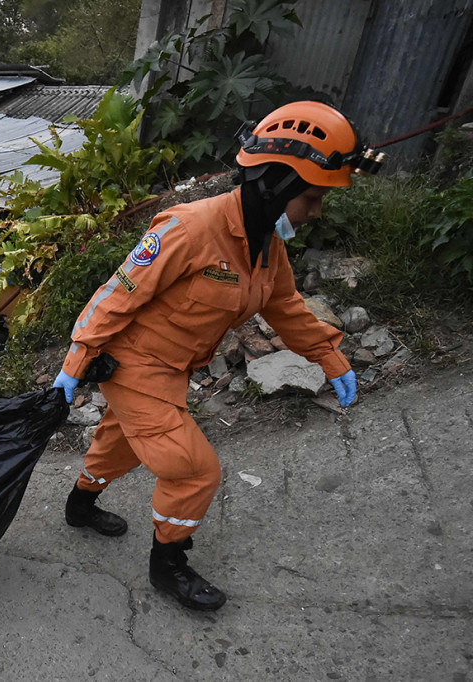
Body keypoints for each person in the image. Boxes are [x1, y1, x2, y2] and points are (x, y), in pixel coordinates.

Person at [52, 101, 383, 611]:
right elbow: (115, 296)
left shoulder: (266, 245)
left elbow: (287, 308)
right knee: (192, 469)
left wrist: (332, 359)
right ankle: (169, 567)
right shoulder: (187, 229)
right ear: (277, 183)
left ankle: (79, 504)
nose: (316, 211)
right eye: (313, 198)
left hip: (174, 369)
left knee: (120, 443)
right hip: (134, 366)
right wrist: (75, 365)